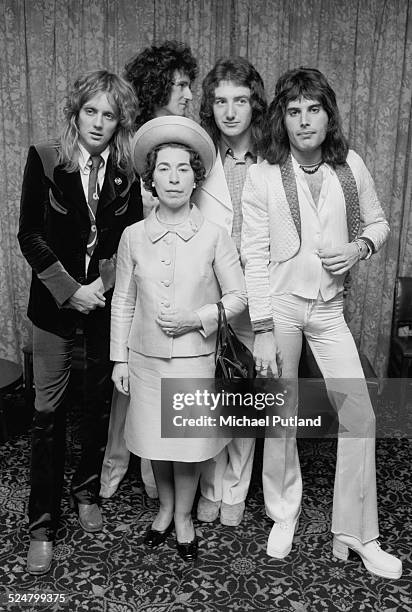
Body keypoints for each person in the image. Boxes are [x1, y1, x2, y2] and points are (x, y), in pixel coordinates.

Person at [241, 67, 402, 579]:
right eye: (293, 111)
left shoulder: (350, 166)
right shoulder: (265, 173)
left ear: (329, 115)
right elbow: (254, 252)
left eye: (314, 109)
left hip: (329, 309)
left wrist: (359, 246)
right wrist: (263, 327)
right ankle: (282, 512)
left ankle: (355, 532)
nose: (304, 121)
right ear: (282, 119)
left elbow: (378, 222)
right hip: (282, 306)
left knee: (361, 415)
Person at [18, 70, 142, 575]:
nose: (98, 122)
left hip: (102, 311)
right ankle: (42, 524)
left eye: (108, 114)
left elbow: (126, 243)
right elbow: (30, 235)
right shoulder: (46, 158)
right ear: (76, 112)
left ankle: (86, 493)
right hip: (53, 311)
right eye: (90, 111)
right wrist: (72, 291)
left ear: (119, 122)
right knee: (48, 419)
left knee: (95, 409)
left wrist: (100, 290)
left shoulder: (127, 171)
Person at [110, 115, 247, 561]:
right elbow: (123, 303)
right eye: (164, 168)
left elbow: (239, 297)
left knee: (187, 450)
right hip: (145, 360)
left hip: (195, 361)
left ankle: (185, 517)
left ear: (196, 177)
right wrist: (119, 359)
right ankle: (165, 511)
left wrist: (196, 318)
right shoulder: (132, 237)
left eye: (183, 168)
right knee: (156, 446)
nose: (173, 177)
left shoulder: (214, 236)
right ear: (151, 179)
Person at [100, 40, 198, 499]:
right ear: (159, 85)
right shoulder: (129, 144)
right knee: (127, 388)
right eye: (181, 85)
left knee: (160, 392)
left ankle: (152, 481)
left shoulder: (186, 140)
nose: (188, 94)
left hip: (176, 284)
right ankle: (113, 472)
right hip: (129, 275)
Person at [193, 57, 267, 526]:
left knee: (246, 392)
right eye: (221, 101)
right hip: (211, 291)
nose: (230, 111)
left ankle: (236, 488)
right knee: (207, 392)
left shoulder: (275, 158)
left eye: (240, 100)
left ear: (254, 104)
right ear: (210, 106)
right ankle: (210, 486)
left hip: (259, 290)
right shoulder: (200, 157)